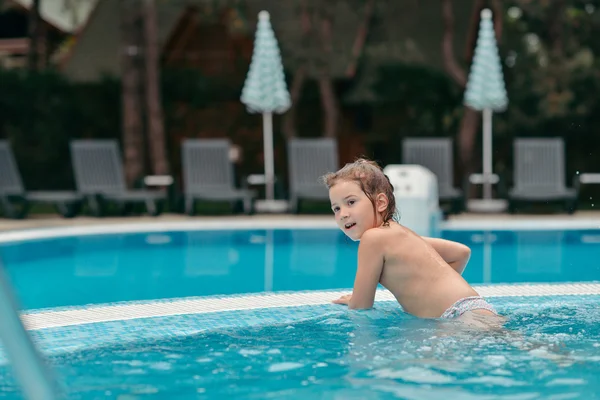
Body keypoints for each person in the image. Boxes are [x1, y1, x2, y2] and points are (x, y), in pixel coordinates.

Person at [322, 158, 502, 325]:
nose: (343, 214)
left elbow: (360, 307)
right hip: (475, 307)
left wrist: (354, 300)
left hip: (456, 316)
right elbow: (461, 253)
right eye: (336, 208)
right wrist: (432, 297)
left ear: (381, 203)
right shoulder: (404, 237)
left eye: (351, 202)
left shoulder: (372, 238)